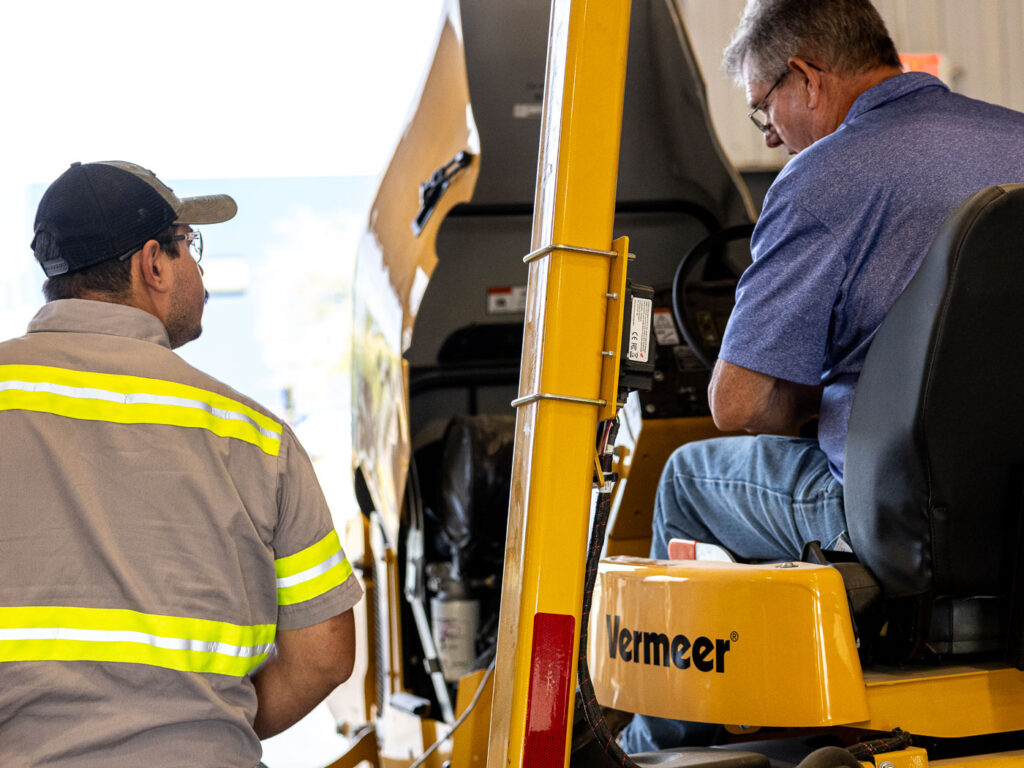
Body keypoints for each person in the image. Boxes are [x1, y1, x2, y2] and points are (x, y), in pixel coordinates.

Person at [620, 0, 1024, 753]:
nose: (769, 135)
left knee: (686, 477)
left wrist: (824, 400)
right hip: (1011, 514)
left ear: (805, 79)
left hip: (899, 516)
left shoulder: (824, 176)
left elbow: (738, 405)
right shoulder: (1015, 137)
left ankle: (664, 746)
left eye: (762, 111)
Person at [0, 161, 363, 766]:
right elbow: (325, 653)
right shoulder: (253, 437)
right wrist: (212, 729)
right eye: (190, 244)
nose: (197, 267)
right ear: (154, 264)